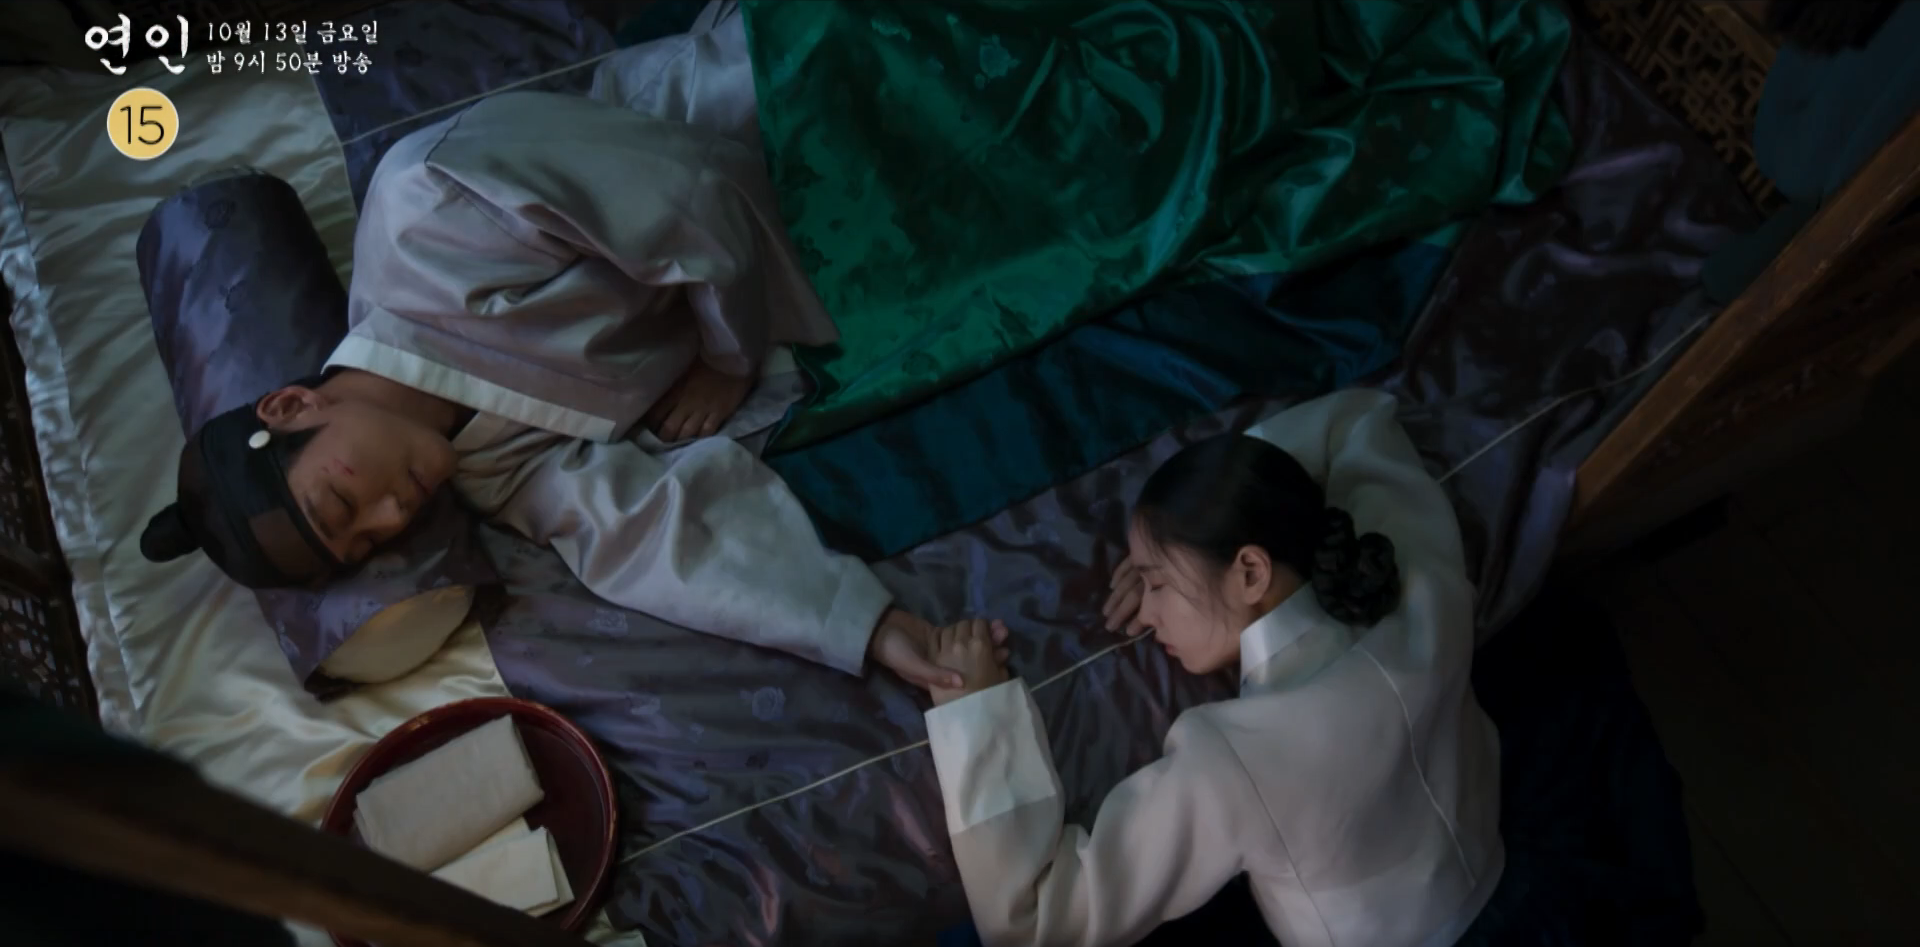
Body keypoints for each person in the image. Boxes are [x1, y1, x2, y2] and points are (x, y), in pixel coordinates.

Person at [136, 87, 989, 695]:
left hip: (756, 123)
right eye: (366, 543)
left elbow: (688, 191)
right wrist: (870, 627)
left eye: (342, 500)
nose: (392, 518)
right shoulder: (486, 469)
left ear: (292, 405)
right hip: (815, 271)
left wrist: (727, 358)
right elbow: (650, 538)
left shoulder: (427, 212)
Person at [923, 389, 1503, 947]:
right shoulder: (1419, 581)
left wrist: (975, 712)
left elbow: (1032, 929)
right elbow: (1354, 417)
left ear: (1250, 572)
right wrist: (1212, 522)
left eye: (1156, 584)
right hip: (1487, 860)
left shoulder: (1237, 762)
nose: (1146, 612)